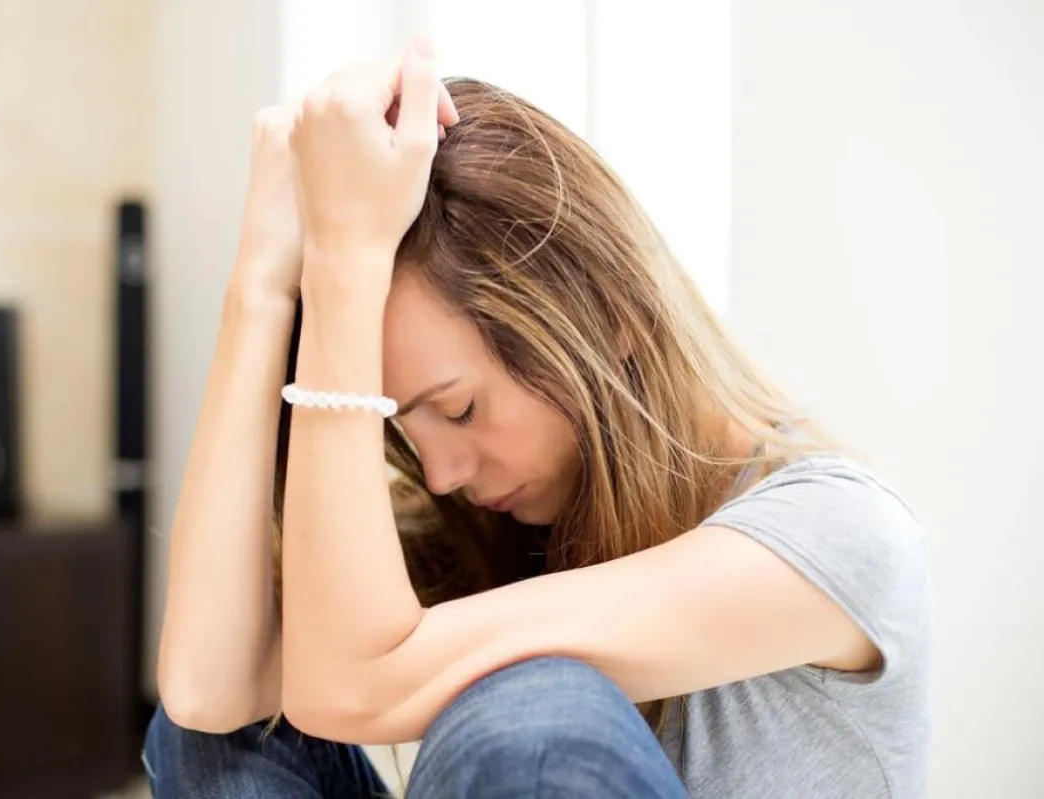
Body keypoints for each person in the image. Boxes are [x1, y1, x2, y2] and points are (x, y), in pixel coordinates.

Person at [143, 39, 933, 799]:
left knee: (536, 712)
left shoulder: (837, 529)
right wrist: (260, 284)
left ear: (609, 312)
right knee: (226, 728)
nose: (441, 474)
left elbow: (352, 685)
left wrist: (344, 265)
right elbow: (207, 689)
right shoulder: (501, 529)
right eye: (406, 428)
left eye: (458, 407)